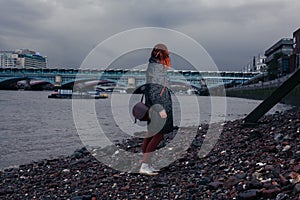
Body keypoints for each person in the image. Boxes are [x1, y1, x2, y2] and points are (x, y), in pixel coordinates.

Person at [139, 43, 174, 175]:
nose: (168, 56)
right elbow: (154, 89)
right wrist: (160, 108)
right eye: (166, 53)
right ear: (161, 54)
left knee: (151, 134)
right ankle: (145, 165)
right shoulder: (156, 68)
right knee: (158, 135)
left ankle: (146, 163)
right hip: (158, 107)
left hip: (154, 106)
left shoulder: (154, 66)